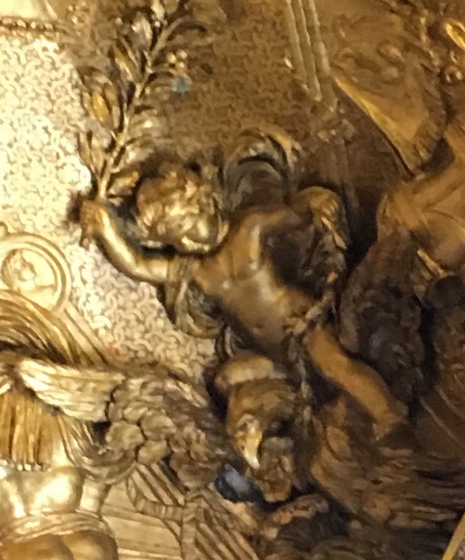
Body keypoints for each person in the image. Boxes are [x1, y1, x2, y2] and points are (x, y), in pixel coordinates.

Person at [80, 163, 405, 440]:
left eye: (187, 226)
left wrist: (317, 201)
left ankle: (387, 411)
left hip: (302, 325)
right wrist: (105, 228)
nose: (187, 239)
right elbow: (139, 265)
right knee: (226, 381)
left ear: (204, 203)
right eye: (176, 238)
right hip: (272, 352)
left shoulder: (247, 230)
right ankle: (299, 415)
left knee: (336, 366)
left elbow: (294, 212)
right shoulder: (196, 270)